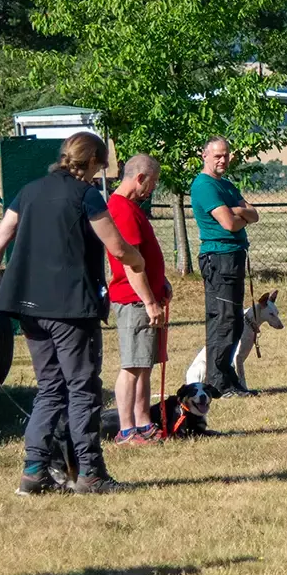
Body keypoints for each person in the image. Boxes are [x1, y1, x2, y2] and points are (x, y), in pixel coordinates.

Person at [0, 133, 143, 496]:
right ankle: (90, 473)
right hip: (70, 308)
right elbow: (117, 247)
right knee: (82, 389)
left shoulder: (28, 192)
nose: (100, 173)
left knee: (49, 389)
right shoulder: (86, 196)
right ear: (90, 161)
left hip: (28, 307)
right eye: (101, 165)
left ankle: (34, 472)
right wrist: (139, 261)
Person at [105, 154, 169, 445]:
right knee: (132, 365)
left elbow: (146, 255)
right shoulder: (121, 209)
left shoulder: (132, 207)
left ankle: (144, 422)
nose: (152, 190)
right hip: (134, 301)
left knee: (145, 363)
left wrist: (161, 283)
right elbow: (131, 263)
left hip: (145, 298)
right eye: (152, 183)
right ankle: (127, 429)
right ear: (140, 177)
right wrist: (149, 301)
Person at [191, 135, 258, 398]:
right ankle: (218, 382)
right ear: (204, 156)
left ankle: (227, 378)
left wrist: (237, 212)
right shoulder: (204, 186)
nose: (223, 160)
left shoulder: (227, 185)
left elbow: (254, 214)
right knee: (224, 320)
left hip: (234, 256)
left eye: (226, 154)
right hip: (219, 259)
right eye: (217, 155)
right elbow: (229, 225)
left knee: (234, 322)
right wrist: (239, 214)